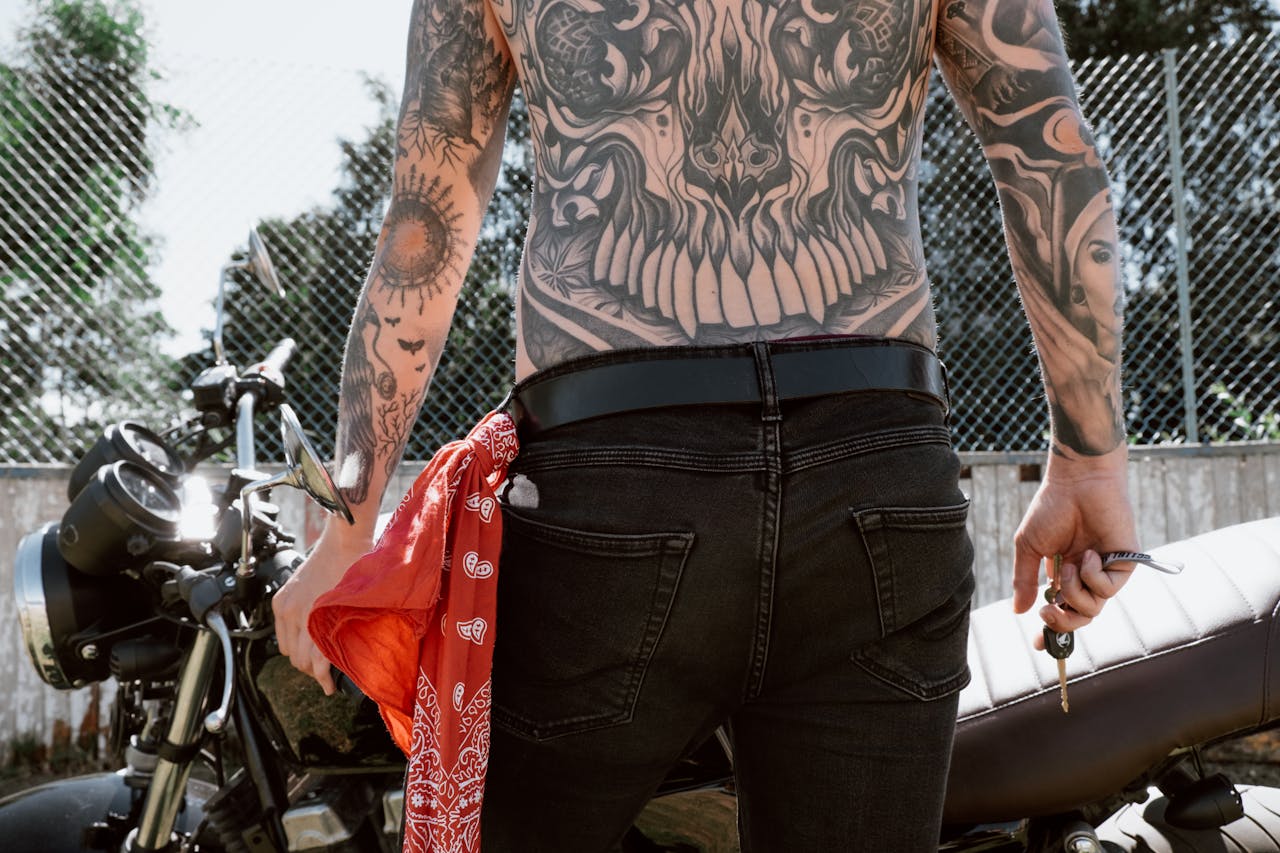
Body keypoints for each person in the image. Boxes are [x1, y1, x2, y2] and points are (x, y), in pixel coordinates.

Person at [273, 0, 1141, 847]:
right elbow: (1049, 157)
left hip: (611, 476)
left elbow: (427, 217)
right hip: (873, 469)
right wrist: (1091, 463)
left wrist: (346, 531)